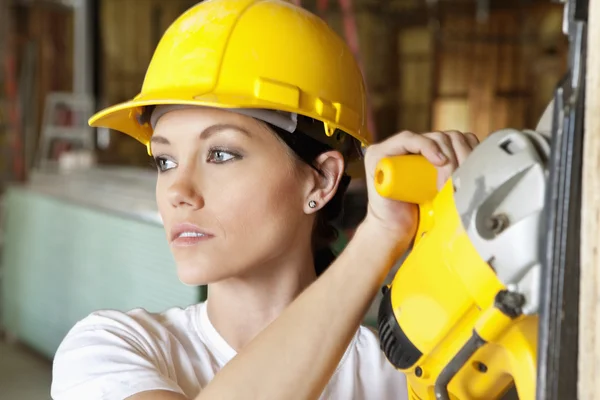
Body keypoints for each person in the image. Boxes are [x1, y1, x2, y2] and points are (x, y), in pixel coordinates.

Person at [50, 1, 479, 399]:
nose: (178, 192)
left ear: (322, 180)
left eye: (220, 154)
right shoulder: (111, 351)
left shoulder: (405, 375)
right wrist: (380, 236)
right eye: (164, 161)